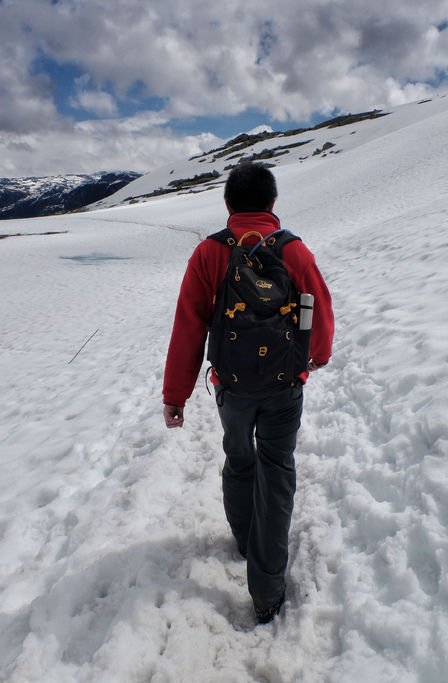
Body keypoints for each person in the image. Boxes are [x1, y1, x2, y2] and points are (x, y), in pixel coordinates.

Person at [162, 161, 334, 624]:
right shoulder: (294, 251)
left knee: (240, 460)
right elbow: (317, 307)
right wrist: (315, 355)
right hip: (284, 386)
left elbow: (188, 327)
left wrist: (175, 395)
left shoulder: (209, 254)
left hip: (232, 388)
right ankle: (267, 591)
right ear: (273, 203)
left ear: (227, 205)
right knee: (277, 471)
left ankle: (244, 539)